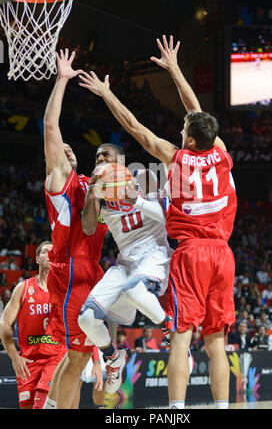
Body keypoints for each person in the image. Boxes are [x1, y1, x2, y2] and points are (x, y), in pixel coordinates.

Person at [78, 34, 237, 410]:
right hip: (223, 255)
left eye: (184, 132)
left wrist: (106, 94)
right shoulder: (221, 152)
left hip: (192, 253)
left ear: (189, 140)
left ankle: (177, 411)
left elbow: (134, 127)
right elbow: (196, 113)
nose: (180, 133)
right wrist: (177, 71)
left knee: (180, 337)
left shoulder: (175, 157)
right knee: (217, 342)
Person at [42, 49, 108, 409]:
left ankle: (52, 407)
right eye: (60, 151)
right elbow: (52, 128)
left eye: (70, 150)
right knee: (78, 358)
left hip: (92, 276)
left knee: (78, 358)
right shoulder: (60, 183)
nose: (66, 151)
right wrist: (63, 79)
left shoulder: (90, 183)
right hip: (71, 274)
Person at [78, 143, 173, 392]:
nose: (99, 159)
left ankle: (170, 331)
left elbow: (168, 219)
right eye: (97, 156)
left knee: (135, 291)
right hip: (125, 261)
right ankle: (113, 357)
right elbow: (88, 229)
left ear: (120, 159)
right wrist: (91, 195)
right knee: (86, 319)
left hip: (154, 252)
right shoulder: (98, 192)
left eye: (105, 155)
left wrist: (137, 200)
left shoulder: (143, 177)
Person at [0, 241, 67, 409]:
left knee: (41, 403)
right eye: (45, 252)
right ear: (37, 259)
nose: (50, 255)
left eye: (53, 253)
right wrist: (15, 357)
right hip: (28, 359)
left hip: (55, 357)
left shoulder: (65, 290)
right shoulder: (23, 288)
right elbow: (4, 324)